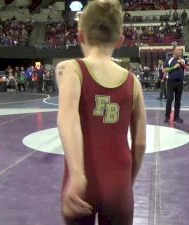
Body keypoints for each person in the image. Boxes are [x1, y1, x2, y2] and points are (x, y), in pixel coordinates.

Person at [56, 1, 147, 225]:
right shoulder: (132, 81)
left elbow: (68, 119)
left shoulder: (72, 70)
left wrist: (77, 174)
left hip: (82, 183)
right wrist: (127, 182)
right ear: (120, 41)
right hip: (119, 184)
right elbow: (140, 143)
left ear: (80, 36)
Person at [163, 46, 189, 123]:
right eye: (179, 50)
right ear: (174, 51)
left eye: (181, 50)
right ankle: (167, 117)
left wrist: (183, 65)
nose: (180, 51)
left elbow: (188, 69)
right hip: (171, 82)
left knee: (178, 100)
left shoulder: (183, 60)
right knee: (169, 100)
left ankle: (176, 117)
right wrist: (174, 67)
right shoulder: (169, 59)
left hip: (180, 82)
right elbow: (165, 69)